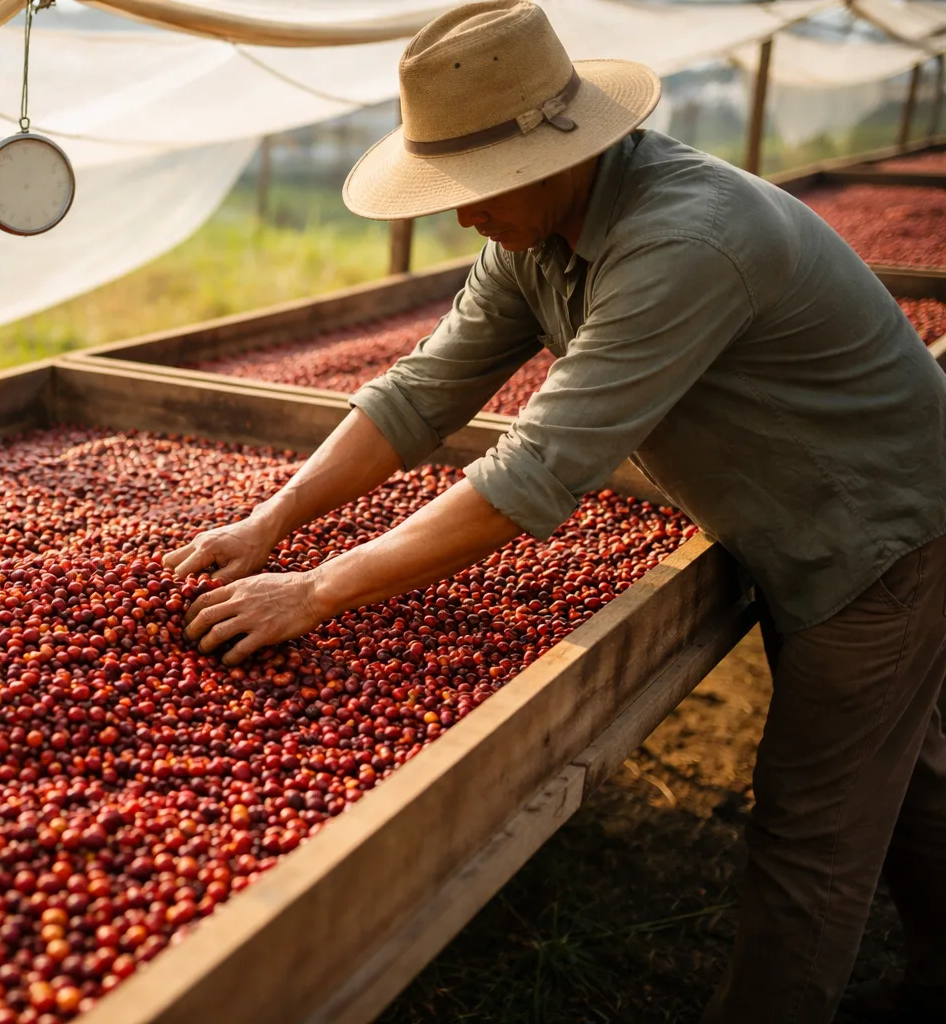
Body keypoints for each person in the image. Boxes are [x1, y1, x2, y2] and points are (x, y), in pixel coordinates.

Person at [161, 3, 946, 1021]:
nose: (460, 215)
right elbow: (423, 391)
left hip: (881, 532)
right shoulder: (539, 232)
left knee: (812, 831)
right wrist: (274, 519)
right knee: (908, 764)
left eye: (473, 189)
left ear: (555, 154)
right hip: (804, 511)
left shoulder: (687, 239)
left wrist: (318, 588)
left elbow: (538, 467)